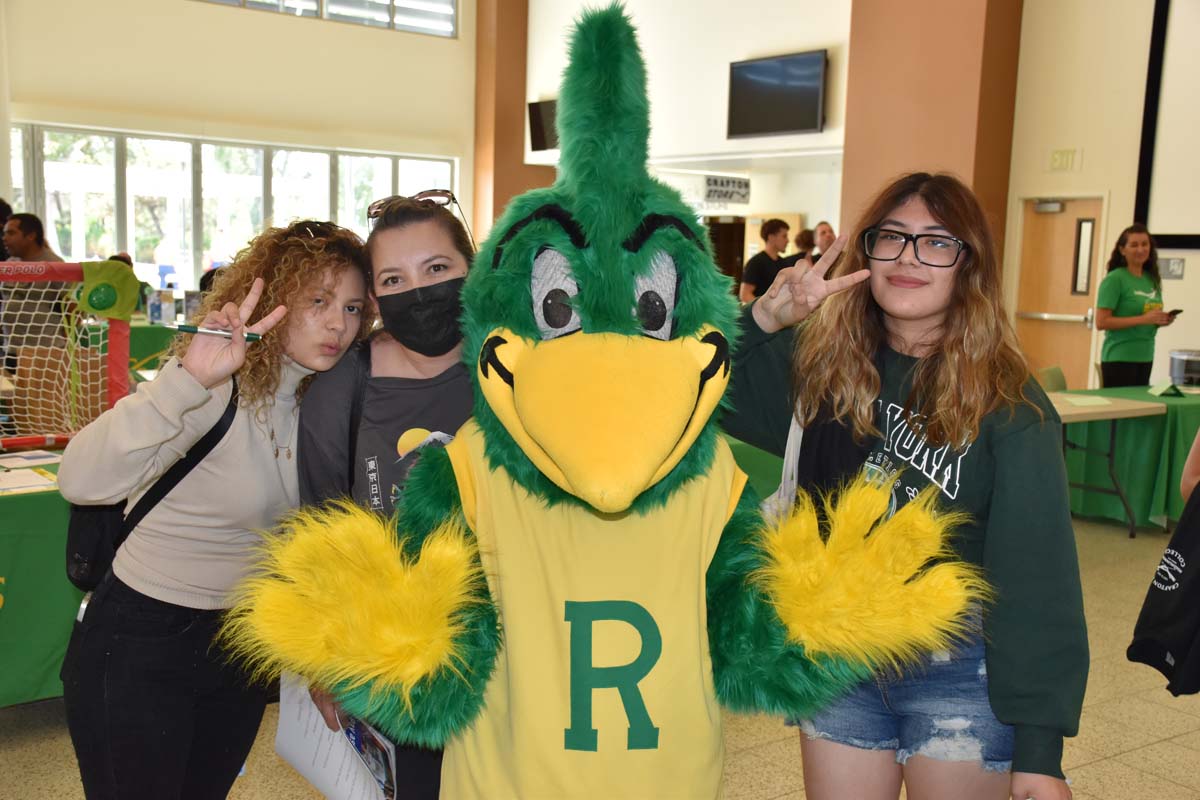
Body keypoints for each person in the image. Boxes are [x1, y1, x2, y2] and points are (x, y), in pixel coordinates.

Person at [723, 172, 1088, 800]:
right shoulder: (821, 366)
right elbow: (694, 389)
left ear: (969, 264)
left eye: (936, 242)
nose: (909, 258)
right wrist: (763, 317)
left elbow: (1039, 580)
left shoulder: (1008, 404)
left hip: (961, 670)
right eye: (891, 238)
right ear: (867, 253)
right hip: (839, 653)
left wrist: (1040, 751)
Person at [57, 220, 372, 800]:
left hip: (239, 643)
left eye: (354, 307)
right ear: (274, 299)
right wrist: (188, 378)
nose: (338, 324)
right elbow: (80, 478)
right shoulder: (211, 391)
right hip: (140, 638)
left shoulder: (322, 406)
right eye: (319, 301)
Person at [297, 192, 475, 799]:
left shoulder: (512, 366)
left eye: (437, 269)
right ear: (374, 298)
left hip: (515, 647)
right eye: (394, 278)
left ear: (470, 269)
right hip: (399, 658)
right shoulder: (347, 382)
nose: (419, 291)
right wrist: (325, 658)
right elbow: (320, 524)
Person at [1095, 224, 1173, 387]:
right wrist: (1143, 319)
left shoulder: (1151, 278)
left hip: (1145, 355)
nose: (1140, 249)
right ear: (1122, 250)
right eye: (1134, 245)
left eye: (1145, 244)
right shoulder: (1115, 279)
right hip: (1120, 356)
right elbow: (1102, 322)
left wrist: (1160, 320)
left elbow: (1147, 317)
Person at [1, 212, 67, 373]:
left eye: (11, 233)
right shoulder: (10, 264)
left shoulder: (55, 265)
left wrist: (65, 340)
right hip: (12, 351)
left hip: (44, 352)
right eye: (4, 234)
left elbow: (72, 306)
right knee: (12, 397)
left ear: (30, 236)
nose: (4, 238)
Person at [739, 217, 790, 301]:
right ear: (771, 237)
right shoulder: (755, 263)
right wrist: (764, 310)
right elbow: (745, 294)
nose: (787, 240)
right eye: (784, 236)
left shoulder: (784, 263)